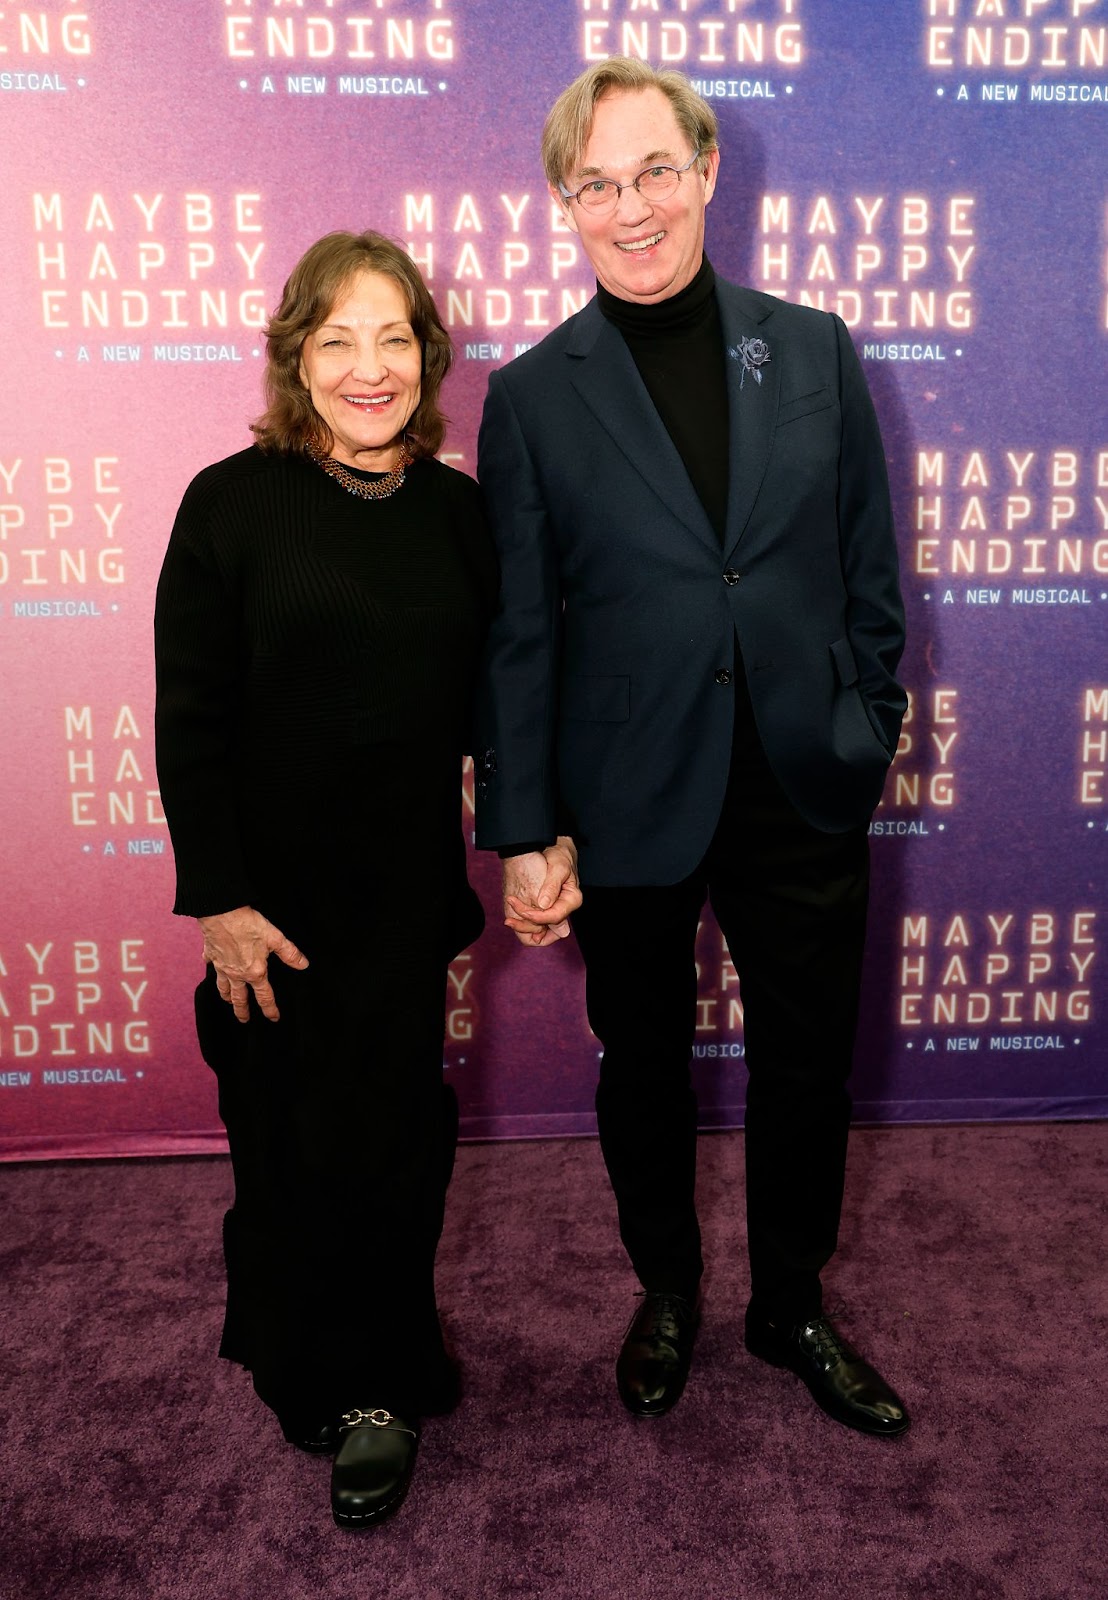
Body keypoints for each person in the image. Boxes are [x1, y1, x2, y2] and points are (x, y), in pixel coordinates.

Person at [474, 60, 910, 1438]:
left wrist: (867, 724)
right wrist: (530, 825)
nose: (632, 206)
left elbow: (868, 575)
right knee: (643, 1066)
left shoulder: (815, 348)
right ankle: (664, 1288)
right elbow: (519, 638)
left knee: (805, 1066)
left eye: (655, 171)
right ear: (563, 203)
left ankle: (790, 1303)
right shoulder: (536, 396)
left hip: (800, 778)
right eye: (597, 183)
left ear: (709, 173)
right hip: (627, 795)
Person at [154, 230, 497, 1527]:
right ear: (298, 355)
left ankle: (380, 1380)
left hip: (404, 906)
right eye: (338, 339)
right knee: (288, 1150)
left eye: (394, 337)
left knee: (398, 1147)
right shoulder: (228, 503)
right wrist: (221, 901)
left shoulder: (462, 515)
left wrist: (543, 828)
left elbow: (501, 703)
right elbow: (189, 718)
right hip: (269, 915)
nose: (369, 366)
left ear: (427, 354)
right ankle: (313, 1359)